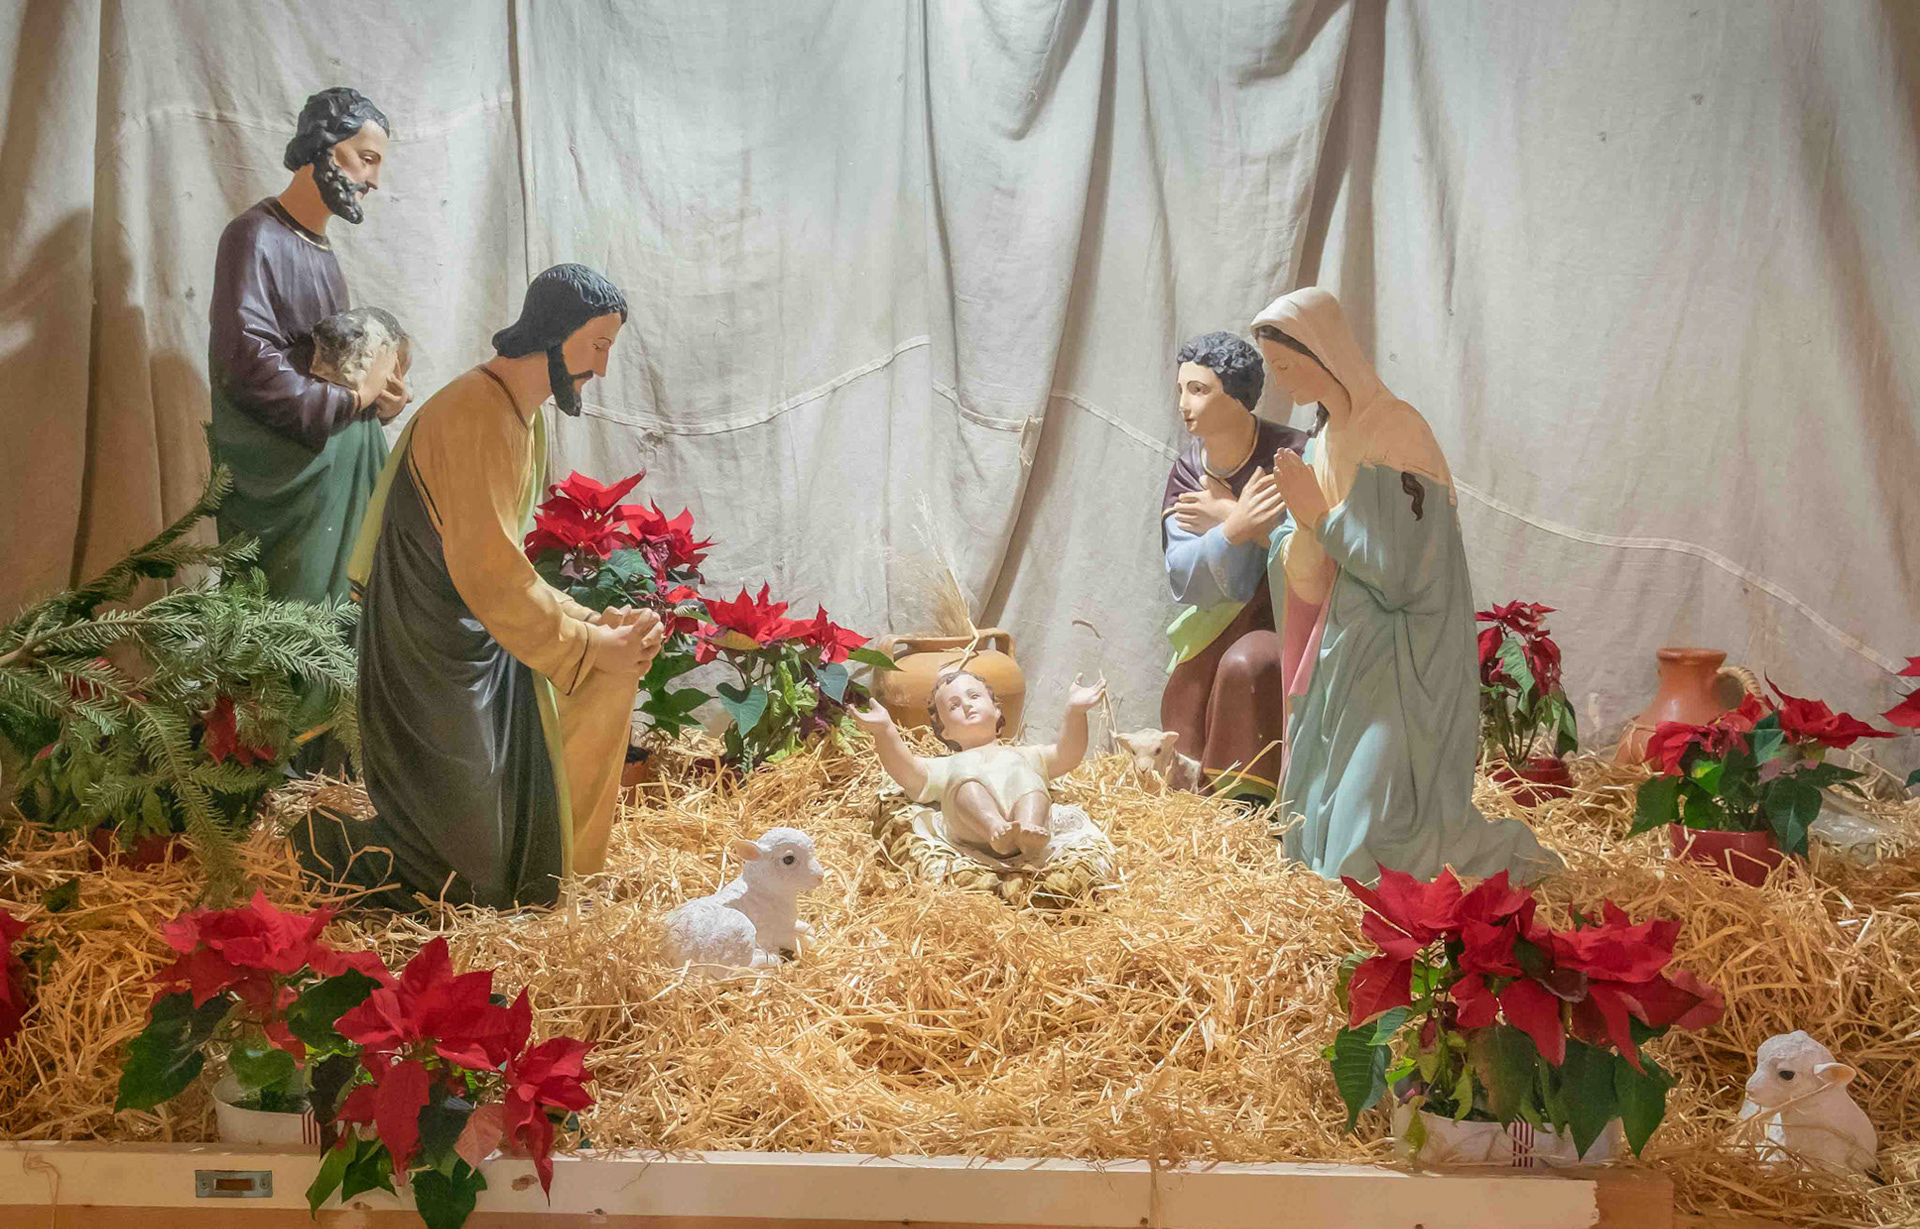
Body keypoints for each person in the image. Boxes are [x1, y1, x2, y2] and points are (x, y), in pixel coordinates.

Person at [295, 264, 661, 910]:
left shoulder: (523, 419)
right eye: (598, 347)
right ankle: (317, 847)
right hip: (425, 657)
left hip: (481, 651)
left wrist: (592, 623)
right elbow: (490, 576)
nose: (601, 370)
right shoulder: (473, 416)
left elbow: (508, 564)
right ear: (556, 331)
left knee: (496, 869)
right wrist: (585, 644)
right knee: (462, 881)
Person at [1250, 287, 1561, 884]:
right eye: (1273, 369)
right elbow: (1303, 566)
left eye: (1286, 366)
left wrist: (1318, 517)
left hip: (1403, 663)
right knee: (1329, 820)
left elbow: (1404, 574)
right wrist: (1301, 531)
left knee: (1369, 843)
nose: (1280, 383)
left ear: (1323, 354)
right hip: (1345, 653)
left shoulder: (1396, 432)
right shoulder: (1321, 442)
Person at [208, 87, 409, 606]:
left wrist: (380, 398)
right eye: (366, 159)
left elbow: (330, 365)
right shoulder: (253, 236)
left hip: (330, 457)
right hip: (284, 467)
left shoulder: (323, 256)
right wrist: (346, 402)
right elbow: (246, 361)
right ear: (323, 147)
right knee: (294, 611)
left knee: (348, 601)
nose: (374, 180)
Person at [1157, 331, 1309, 804]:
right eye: (1181, 388)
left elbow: (1320, 548)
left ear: (1239, 397)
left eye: (1199, 390)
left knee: (1247, 667)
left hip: (1294, 621)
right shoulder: (1188, 471)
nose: (1184, 403)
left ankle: (1248, 801)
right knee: (1188, 692)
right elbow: (1184, 574)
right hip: (1220, 617)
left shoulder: (1294, 456)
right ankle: (1204, 795)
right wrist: (1234, 528)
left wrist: (1226, 516)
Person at [854, 669, 1106, 863]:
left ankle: (1031, 828)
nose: (965, 704)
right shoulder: (950, 764)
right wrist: (885, 730)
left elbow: (1067, 754)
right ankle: (994, 827)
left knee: (1026, 777)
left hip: (1032, 828)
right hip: (977, 835)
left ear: (997, 710)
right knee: (966, 781)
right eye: (953, 706)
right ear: (945, 730)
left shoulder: (1022, 754)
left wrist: (1075, 712)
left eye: (974, 696)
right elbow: (909, 772)